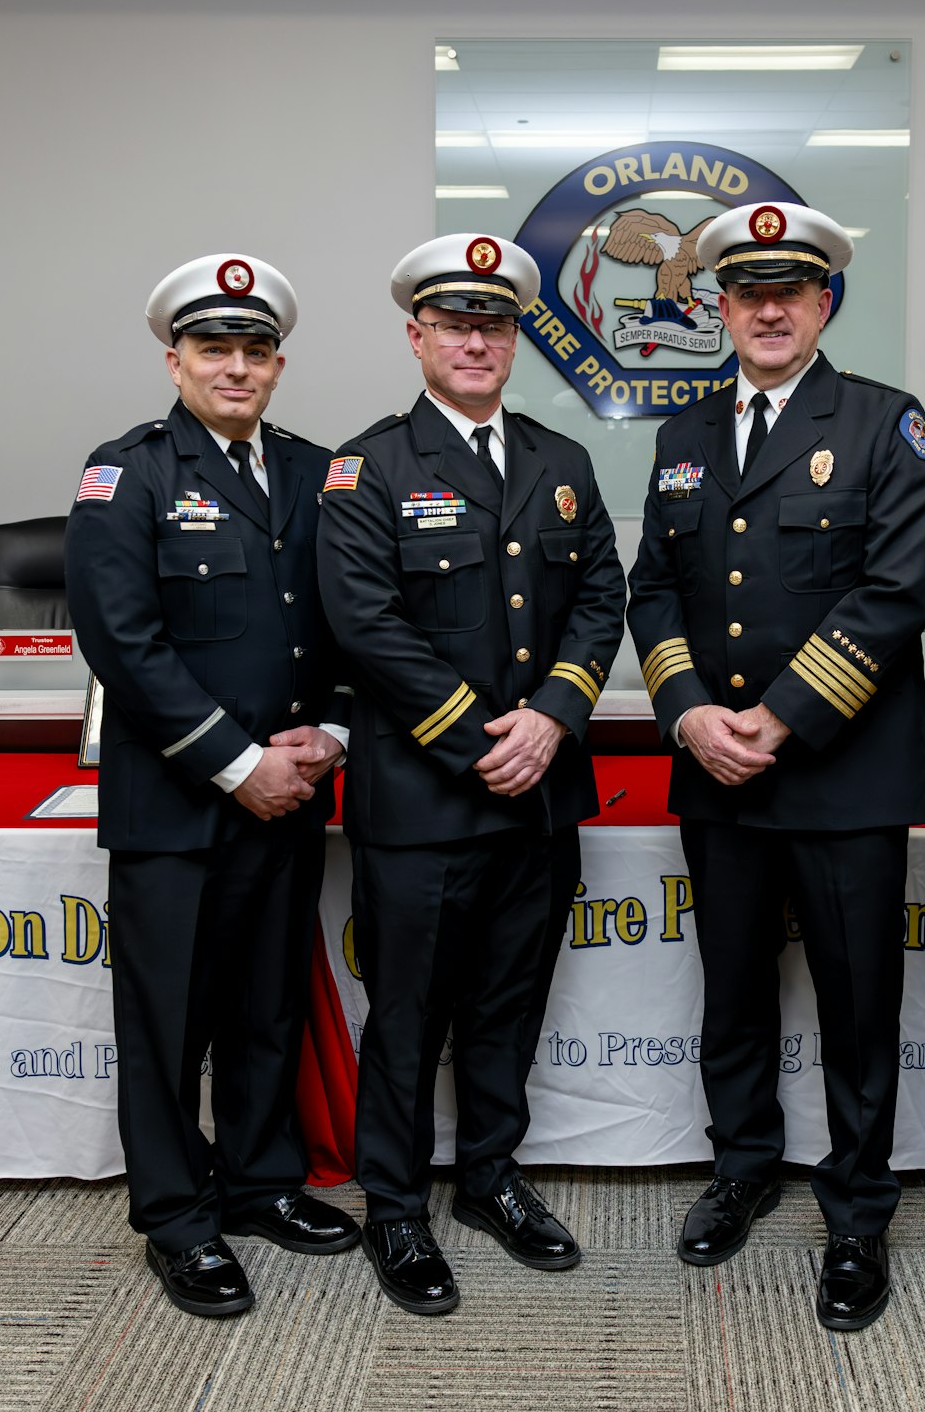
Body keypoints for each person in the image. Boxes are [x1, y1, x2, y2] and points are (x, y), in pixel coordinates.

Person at [625, 202, 925, 1331]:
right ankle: (743, 1163)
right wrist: (688, 711)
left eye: (788, 290)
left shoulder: (883, 423)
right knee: (734, 988)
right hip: (715, 766)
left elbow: (896, 587)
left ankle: (856, 1211)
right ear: (718, 304)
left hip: (840, 770)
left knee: (858, 1000)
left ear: (822, 303)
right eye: (744, 290)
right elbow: (650, 587)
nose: (765, 307)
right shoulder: (683, 435)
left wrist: (781, 717)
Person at [317, 233, 626, 1316]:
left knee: (508, 1002)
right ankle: (394, 1204)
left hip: (538, 797)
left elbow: (600, 599)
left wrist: (551, 717)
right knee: (409, 1014)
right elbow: (364, 624)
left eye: (492, 324)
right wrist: (479, 736)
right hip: (423, 802)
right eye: (453, 323)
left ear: (514, 340)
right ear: (416, 336)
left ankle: (489, 1175)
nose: (474, 341)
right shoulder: (364, 469)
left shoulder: (561, 461)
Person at [63, 253, 358, 1318]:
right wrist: (240, 764)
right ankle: (179, 1218)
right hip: (180, 807)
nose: (235, 366)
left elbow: (344, 625)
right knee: (167, 1018)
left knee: (266, 1002)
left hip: (288, 792)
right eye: (212, 348)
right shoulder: (126, 473)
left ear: (277, 361)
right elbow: (122, 643)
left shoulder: (319, 472)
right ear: (173, 357)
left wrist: (324, 731)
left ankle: (261, 1179)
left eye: (254, 349)